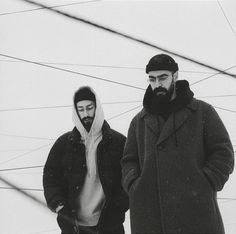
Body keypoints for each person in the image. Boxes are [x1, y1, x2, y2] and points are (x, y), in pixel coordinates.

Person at [121, 54, 234, 234]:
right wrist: (135, 185)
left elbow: (223, 152)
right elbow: (128, 161)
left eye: (163, 77)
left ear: (175, 76)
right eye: (152, 79)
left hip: (196, 211)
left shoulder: (202, 112)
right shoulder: (139, 121)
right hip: (151, 215)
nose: (157, 84)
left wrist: (206, 181)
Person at [43, 86, 128, 234]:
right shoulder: (64, 144)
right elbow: (51, 177)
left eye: (89, 108)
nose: (85, 114)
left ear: (97, 107)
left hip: (110, 226)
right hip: (73, 227)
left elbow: (129, 177)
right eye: (80, 110)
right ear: (75, 111)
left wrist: (118, 207)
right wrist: (59, 206)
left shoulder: (118, 142)